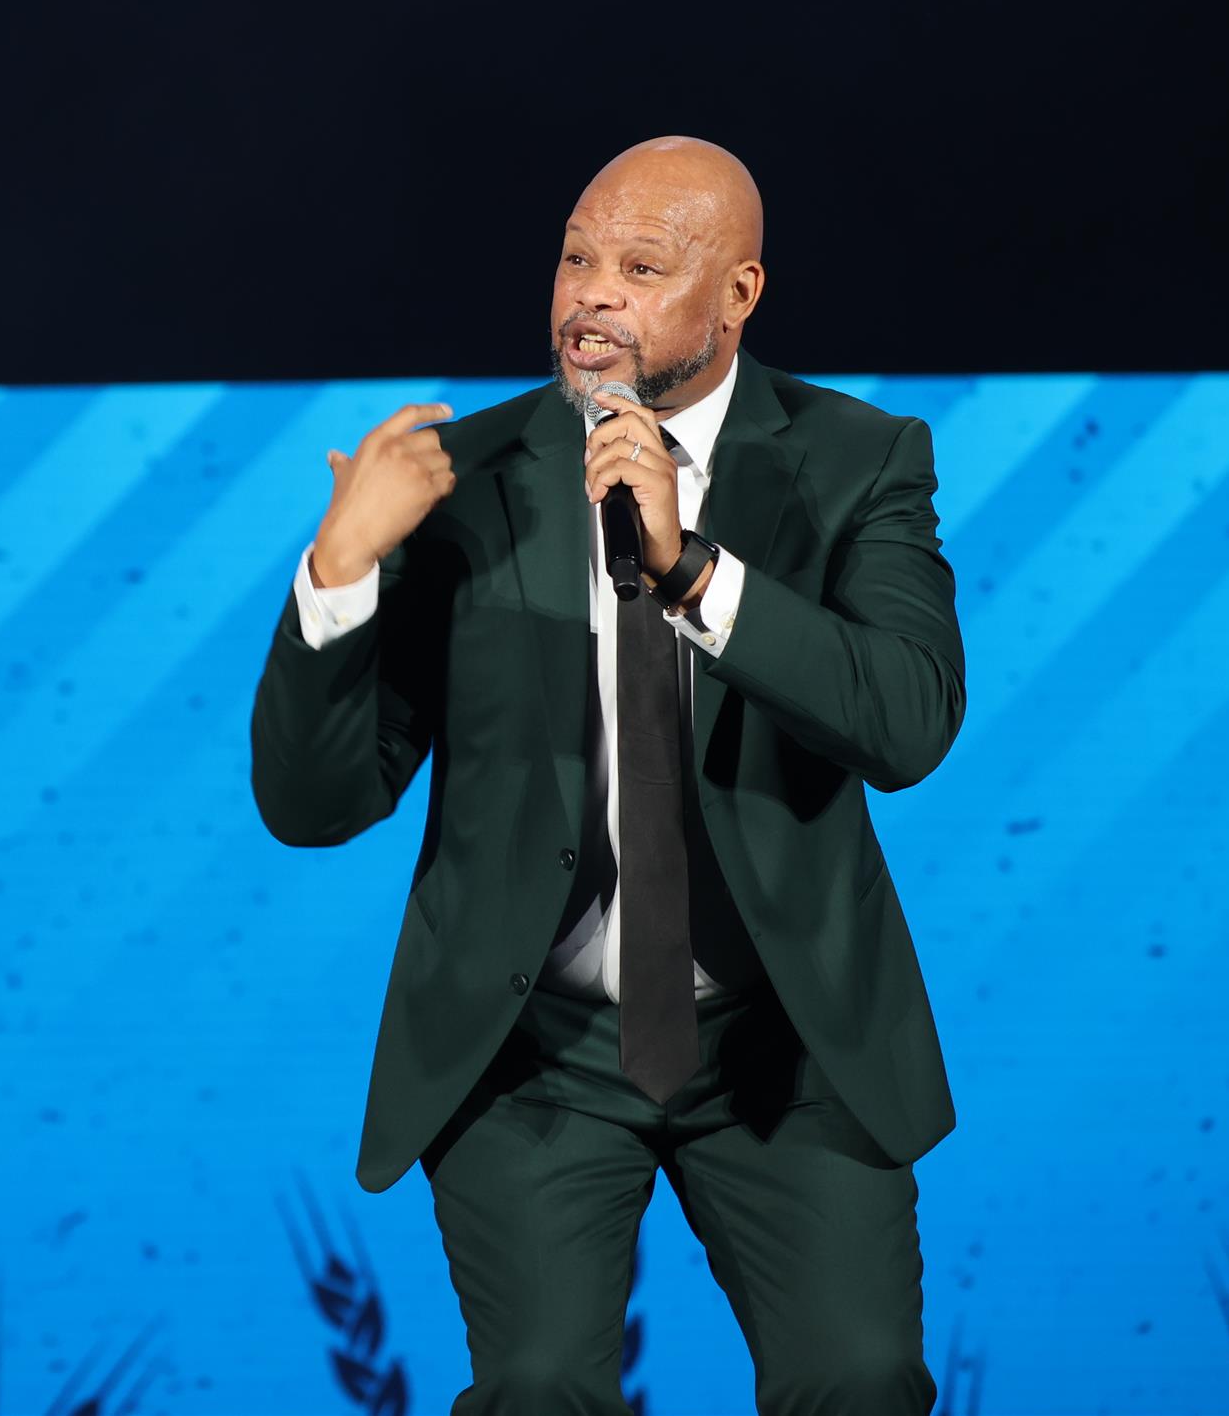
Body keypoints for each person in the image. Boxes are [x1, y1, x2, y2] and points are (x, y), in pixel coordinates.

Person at [248, 136, 967, 1416]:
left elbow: (906, 723)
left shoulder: (860, 458)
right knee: (535, 1388)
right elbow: (314, 806)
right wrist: (339, 573)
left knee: (859, 1381)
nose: (591, 295)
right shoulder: (460, 483)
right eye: (576, 258)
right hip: (534, 1044)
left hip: (785, 1036)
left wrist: (693, 570)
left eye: (640, 267)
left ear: (737, 293)